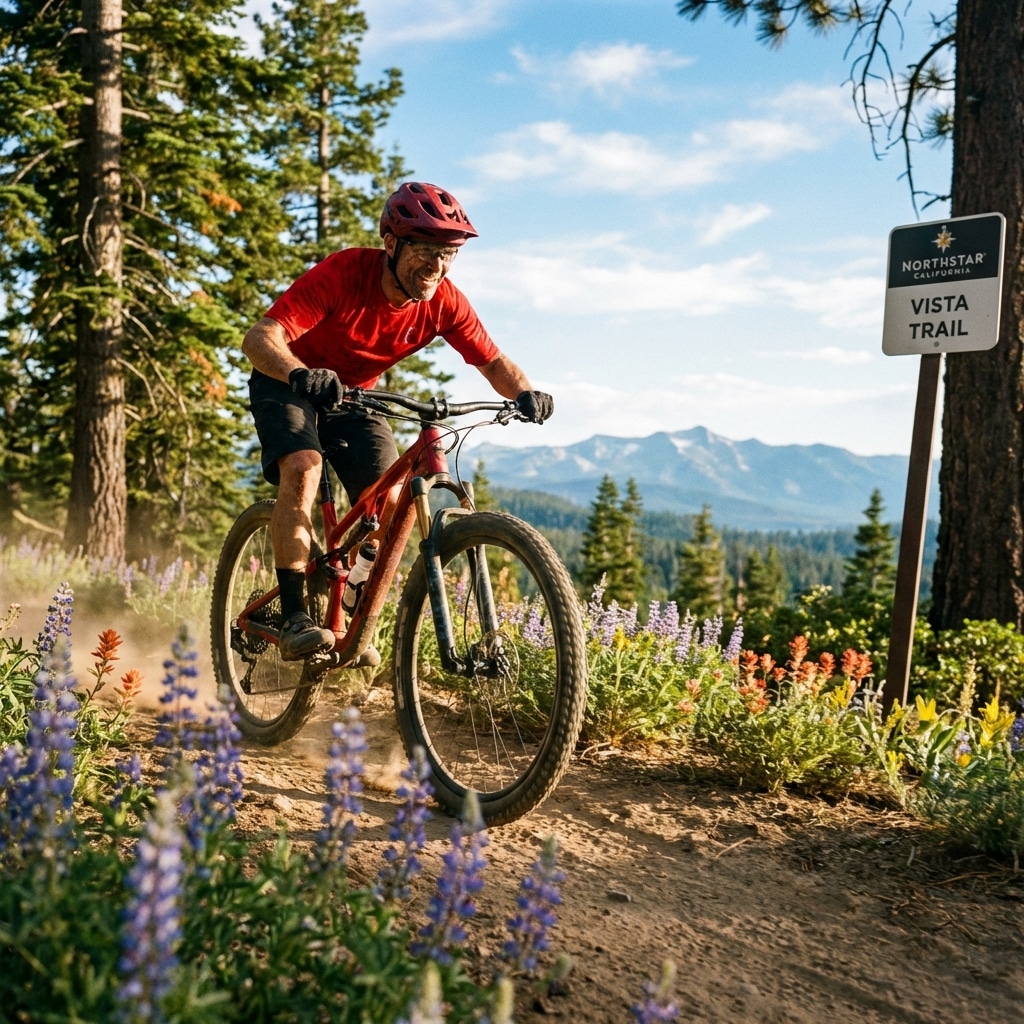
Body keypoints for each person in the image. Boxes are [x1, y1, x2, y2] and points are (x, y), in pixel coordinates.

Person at [243, 181, 554, 661]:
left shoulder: (444, 301)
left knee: (388, 502)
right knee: (304, 466)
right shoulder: (345, 273)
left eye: (448, 254)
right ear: (391, 243)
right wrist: (298, 373)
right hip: (288, 379)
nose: (437, 266)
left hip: (354, 397)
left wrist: (526, 392)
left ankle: (344, 608)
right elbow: (261, 338)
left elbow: (492, 362)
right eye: (426, 251)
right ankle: (292, 615)